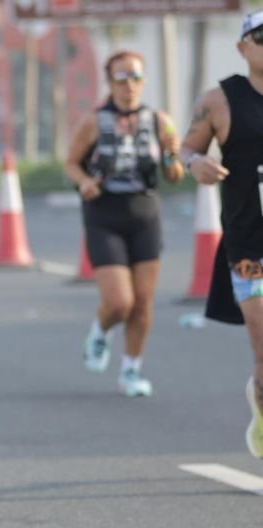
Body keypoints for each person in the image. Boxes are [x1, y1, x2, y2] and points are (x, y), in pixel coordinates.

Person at [65, 50, 182, 397]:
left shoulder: (160, 121)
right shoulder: (93, 121)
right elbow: (71, 163)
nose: (128, 84)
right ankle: (100, 331)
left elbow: (174, 176)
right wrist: (84, 182)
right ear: (110, 81)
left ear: (143, 81)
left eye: (134, 76)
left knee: (143, 303)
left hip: (145, 214)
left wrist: (173, 154)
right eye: (121, 77)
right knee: (120, 302)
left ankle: (131, 371)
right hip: (105, 215)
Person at [180, 9, 263, 459]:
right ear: (243, 47)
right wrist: (196, 163)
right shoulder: (220, 100)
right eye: (262, 36)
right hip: (250, 242)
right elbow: (186, 147)